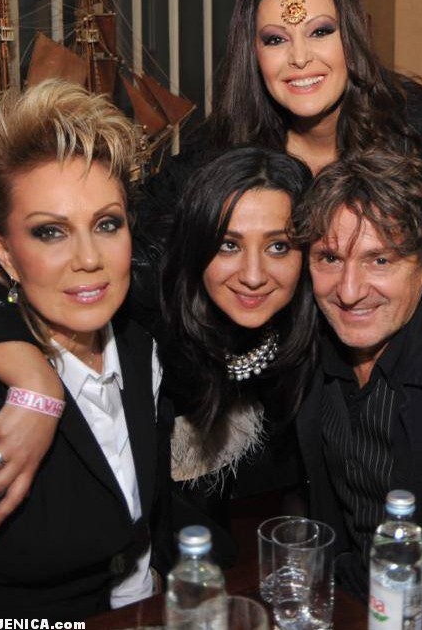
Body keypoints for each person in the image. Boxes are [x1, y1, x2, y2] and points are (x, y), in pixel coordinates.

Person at [0, 0, 422, 523]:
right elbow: (107, 258)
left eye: (321, 31)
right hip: (277, 407)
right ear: (253, 52)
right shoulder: (220, 154)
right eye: (275, 39)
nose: (300, 58)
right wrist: (35, 379)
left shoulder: (412, 123)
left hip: (408, 381)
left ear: (352, 36)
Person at [0, 81, 164, 620]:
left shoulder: (141, 352)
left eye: (107, 224)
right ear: (5, 254)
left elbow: (134, 550)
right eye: (50, 232)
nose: (88, 259)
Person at [293, 149, 422, 629]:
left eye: (379, 259)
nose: (349, 290)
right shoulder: (310, 353)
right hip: (352, 603)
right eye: (329, 258)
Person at [160, 147, 315, 561]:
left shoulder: (324, 331)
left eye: (278, 247)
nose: (253, 275)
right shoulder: (147, 321)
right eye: (229, 245)